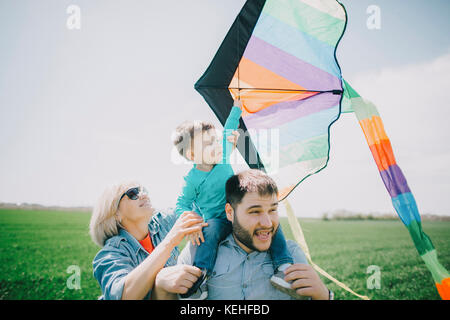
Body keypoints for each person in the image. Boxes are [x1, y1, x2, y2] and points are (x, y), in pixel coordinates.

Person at [172, 100, 294, 299]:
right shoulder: (191, 180)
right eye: (208, 143)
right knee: (208, 231)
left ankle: (284, 266)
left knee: (271, 224)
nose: (217, 145)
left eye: (215, 139)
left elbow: (229, 127)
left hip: (239, 214)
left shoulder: (222, 157)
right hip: (217, 220)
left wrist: (237, 107)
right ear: (192, 154)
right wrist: (191, 221)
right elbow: (182, 204)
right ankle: (201, 275)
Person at [178, 169, 333, 300]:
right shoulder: (197, 252)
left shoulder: (292, 255)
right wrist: (161, 288)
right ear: (230, 212)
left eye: (273, 210)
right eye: (255, 211)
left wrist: (324, 296)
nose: (267, 223)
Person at [89, 181, 207, 300]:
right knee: (162, 278)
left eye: (143, 190)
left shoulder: (162, 222)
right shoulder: (110, 254)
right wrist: (170, 240)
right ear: (115, 213)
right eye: (132, 193)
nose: (143, 195)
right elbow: (123, 296)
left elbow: (198, 204)